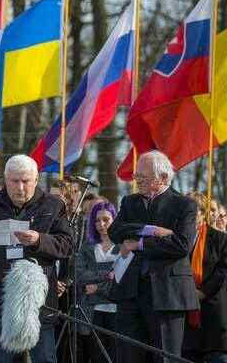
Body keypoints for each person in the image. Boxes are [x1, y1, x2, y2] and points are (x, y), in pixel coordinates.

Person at [0, 154, 73, 363]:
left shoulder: (53, 205)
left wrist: (39, 240)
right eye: (14, 181)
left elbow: (66, 245)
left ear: (36, 180)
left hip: (39, 304)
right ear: (5, 179)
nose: (20, 187)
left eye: (26, 181)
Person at [109, 150, 198, 363]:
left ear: (163, 177)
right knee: (128, 356)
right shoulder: (130, 202)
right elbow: (115, 232)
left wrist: (138, 243)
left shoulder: (184, 205)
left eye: (144, 177)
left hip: (167, 295)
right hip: (130, 292)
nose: (137, 180)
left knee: (164, 357)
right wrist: (150, 230)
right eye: (136, 176)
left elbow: (181, 244)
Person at [182, 192, 227, 363]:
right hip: (186, 322)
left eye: (191, 211)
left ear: (202, 213)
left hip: (213, 318)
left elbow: (223, 271)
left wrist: (202, 292)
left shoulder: (220, 239)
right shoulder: (178, 240)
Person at [75, 201, 119, 363]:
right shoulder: (87, 247)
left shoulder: (122, 246)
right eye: (97, 220)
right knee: (97, 357)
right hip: (91, 312)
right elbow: (80, 275)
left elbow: (122, 281)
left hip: (118, 311)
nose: (101, 224)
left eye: (106, 219)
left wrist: (97, 288)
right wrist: (107, 274)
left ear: (114, 219)